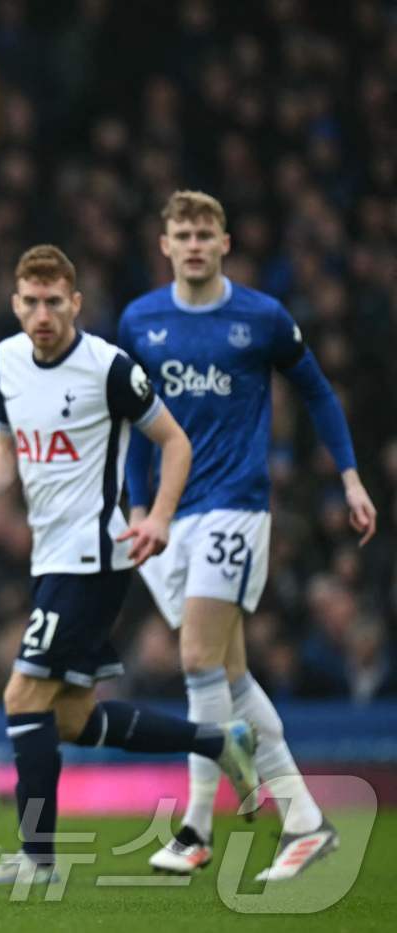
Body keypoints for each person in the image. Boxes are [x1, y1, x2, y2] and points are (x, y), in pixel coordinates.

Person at [0, 246, 258, 885]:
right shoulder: (8, 359)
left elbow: (175, 441)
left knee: (21, 695)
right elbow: (9, 447)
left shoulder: (108, 368)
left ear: (75, 303)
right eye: (31, 302)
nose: (42, 314)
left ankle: (37, 861)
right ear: (15, 303)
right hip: (52, 554)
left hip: (94, 554)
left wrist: (160, 517)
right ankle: (217, 740)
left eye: (53, 302)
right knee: (70, 718)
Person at [120, 192, 377, 881]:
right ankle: (304, 820)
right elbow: (136, 424)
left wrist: (349, 477)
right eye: (183, 233)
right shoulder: (141, 320)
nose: (195, 243)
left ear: (226, 242)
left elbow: (319, 392)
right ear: (165, 243)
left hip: (236, 505)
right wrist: (140, 508)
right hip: (171, 516)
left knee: (198, 655)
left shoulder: (260, 317)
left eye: (207, 233)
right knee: (229, 676)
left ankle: (198, 827)